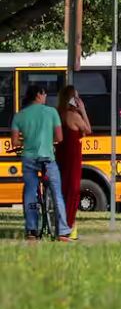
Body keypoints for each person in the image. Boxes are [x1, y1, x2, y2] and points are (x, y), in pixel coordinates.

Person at [11, 85, 73, 241]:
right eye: (44, 94)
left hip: (29, 159)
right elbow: (59, 138)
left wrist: (27, 141)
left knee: (30, 192)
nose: (45, 97)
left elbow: (14, 142)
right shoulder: (51, 112)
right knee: (56, 192)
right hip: (48, 159)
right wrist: (47, 141)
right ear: (39, 95)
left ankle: (31, 230)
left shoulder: (19, 116)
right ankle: (63, 231)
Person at [56, 85, 92, 240]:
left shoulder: (58, 113)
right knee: (73, 190)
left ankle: (62, 225)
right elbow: (88, 130)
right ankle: (67, 227)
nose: (78, 100)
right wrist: (83, 110)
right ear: (72, 99)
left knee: (63, 190)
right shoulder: (73, 115)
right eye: (76, 97)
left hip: (61, 154)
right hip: (73, 156)